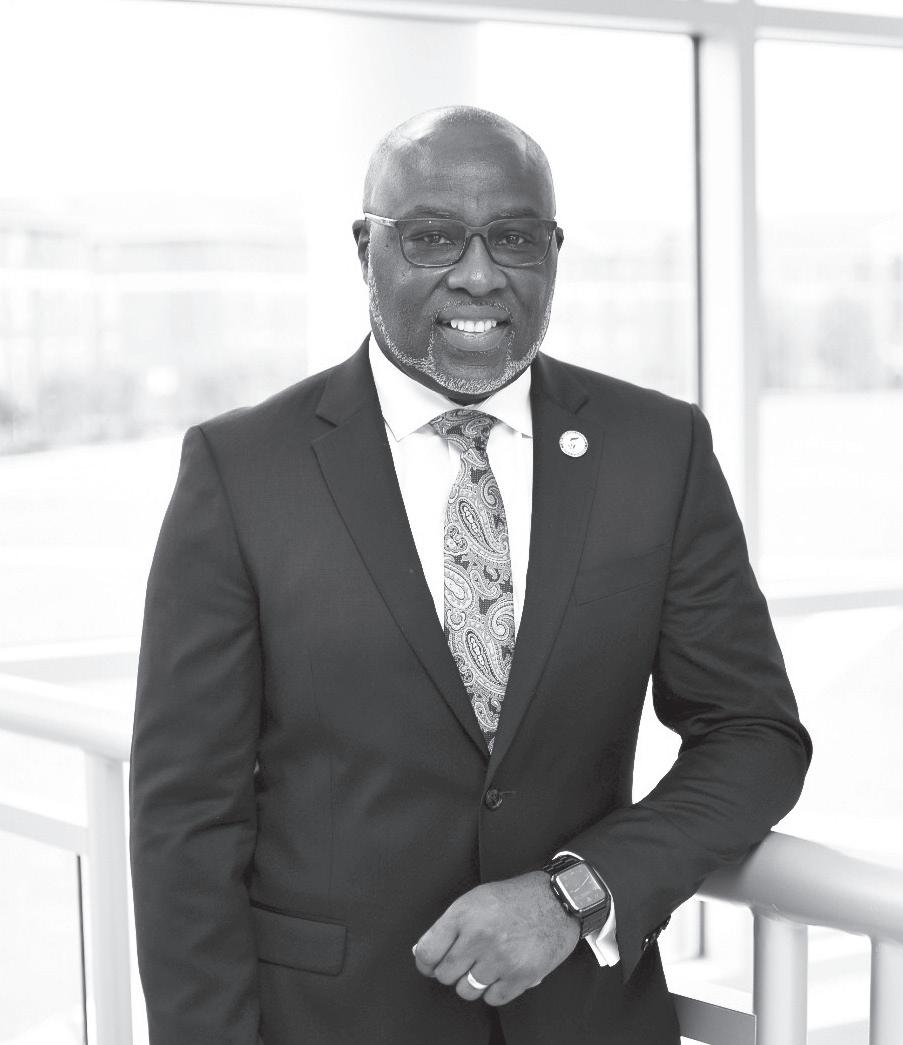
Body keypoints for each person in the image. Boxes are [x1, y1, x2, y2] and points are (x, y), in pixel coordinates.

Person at [129, 106, 811, 1045]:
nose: (480, 274)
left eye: (515, 238)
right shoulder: (242, 470)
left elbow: (753, 734)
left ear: (554, 254)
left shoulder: (658, 450)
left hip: (583, 1021)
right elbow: (186, 817)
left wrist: (578, 891)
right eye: (432, 236)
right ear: (366, 249)